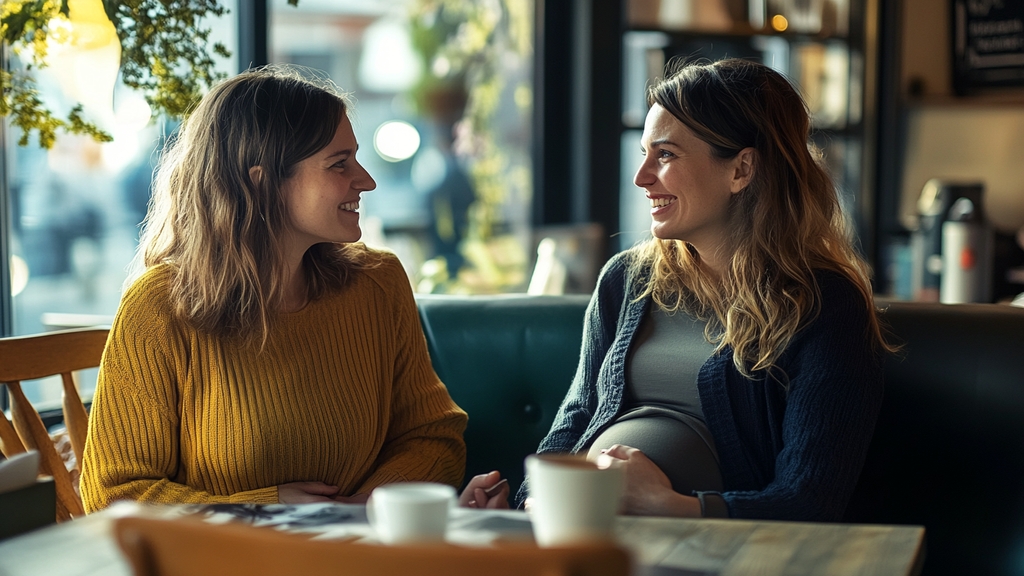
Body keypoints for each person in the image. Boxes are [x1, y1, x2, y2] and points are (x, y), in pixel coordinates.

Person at [80, 66, 506, 511]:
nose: (366, 180)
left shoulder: (378, 284)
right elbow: (114, 495)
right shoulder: (159, 308)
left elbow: (432, 435)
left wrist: (361, 509)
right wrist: (262, 510)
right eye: (339, 164)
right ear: (260, 182)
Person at [514, 58, 896, 521]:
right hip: (581, 529)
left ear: (742, 169)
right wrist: (522, 504)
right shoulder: (626, 280)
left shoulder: (825, 305)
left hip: (713, 553)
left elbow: (810, 499)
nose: (642, 178)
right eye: (644, 153)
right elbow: (575, 420)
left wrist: (672, 506)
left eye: (667, 155)